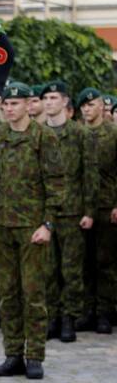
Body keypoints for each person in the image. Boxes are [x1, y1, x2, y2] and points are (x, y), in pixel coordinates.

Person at [0, 82, 63, 380]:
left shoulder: (44, 137)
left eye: (14, 104)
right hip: (2, 224)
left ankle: (35, 355)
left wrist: (47, 224)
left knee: (33, 293)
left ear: (28, 105)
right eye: (5, 104)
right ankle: (13, 353)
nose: (9, 108)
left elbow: (56, 184)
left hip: (32, 227)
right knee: (8, 294)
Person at [40, 80, 94, 343]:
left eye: (53, 98)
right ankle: (51, 316)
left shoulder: (79, 133)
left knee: (71, 269)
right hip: (46, 214)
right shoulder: (37, 133)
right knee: (48, 270)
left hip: (73, 211)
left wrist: (89, 210)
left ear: (65, 102)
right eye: (46, 98)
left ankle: (69, 318)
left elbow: (89, 174)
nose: (49, 102)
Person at [79, 87, 117, 334]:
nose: (87, 109)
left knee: (106, 262)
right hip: (81, 207)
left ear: (102, 107)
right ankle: (88, 309)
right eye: (83, 105)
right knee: (84, 261)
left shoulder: (112, 134)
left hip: (106, 205)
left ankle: (105, 311)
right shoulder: (78, 135)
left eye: (91, 104)